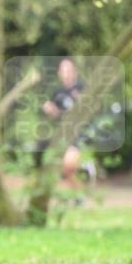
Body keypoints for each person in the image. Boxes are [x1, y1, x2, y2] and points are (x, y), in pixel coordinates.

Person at [41, 57, 86, 188]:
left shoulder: (82, 88)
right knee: (63, 168)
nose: (66, 73)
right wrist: (50, 110)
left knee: (68, 165)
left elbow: (88, 110)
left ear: (75, 71)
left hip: (80, 134)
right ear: (59, 73)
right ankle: (78, 194)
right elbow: (56, 115)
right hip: (63, 135)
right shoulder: (57, 93)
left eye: (68, 69)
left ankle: (79, 191)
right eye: (63, 70)